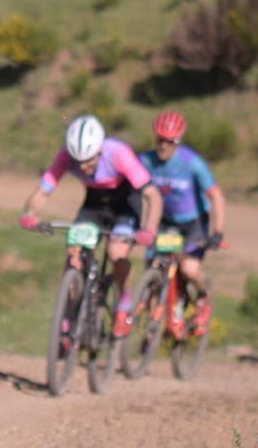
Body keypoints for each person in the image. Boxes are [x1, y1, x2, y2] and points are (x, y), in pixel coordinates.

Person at [19, 114, 163, 337]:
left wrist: (149, 229)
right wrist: (30, 213)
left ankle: (124, 304)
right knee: (73, 256)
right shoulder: (67, 156)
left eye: (89, 160)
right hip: (94, 206)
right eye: (78, 162)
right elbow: (43, 190)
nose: (83, 167)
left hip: (125, 206)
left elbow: (153, 196)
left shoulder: (119, 154)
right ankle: (68, 314)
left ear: (100, 150)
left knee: (117, 253)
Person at [137, 110, 226, 335]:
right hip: (165, 220)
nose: (164, 146)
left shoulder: (192, 162)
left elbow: (216, 195)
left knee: (189, 267)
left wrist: (218, 231)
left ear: (178, 141)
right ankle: (161, 309)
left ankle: (203, 297)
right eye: (160, 139)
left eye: (171, 141)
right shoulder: (145, 161)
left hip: (193, 222)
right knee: (153, 264)